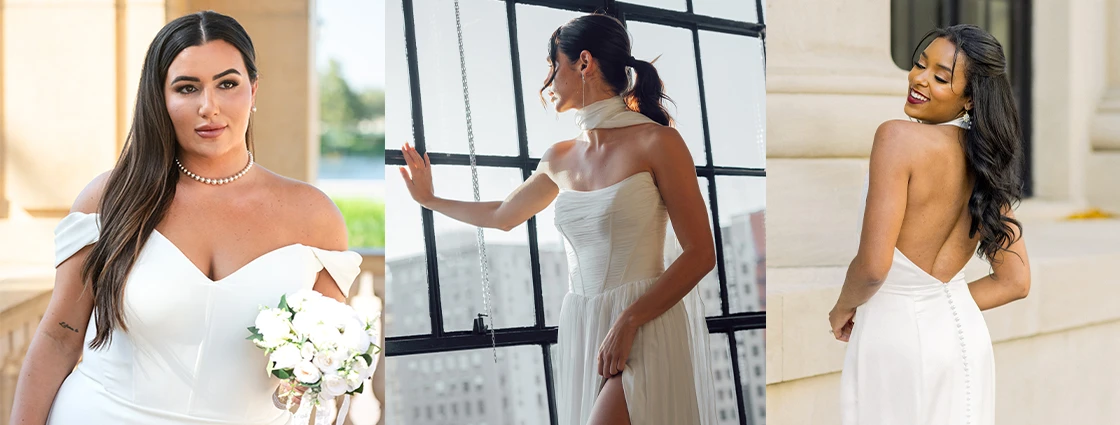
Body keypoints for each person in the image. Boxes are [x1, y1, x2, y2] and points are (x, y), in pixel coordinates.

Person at [9, 11, 361, 425]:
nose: (208, 107)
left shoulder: (314, 218)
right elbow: (58, 338)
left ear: (254, 90)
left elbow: (321, 363)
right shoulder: (108, 199)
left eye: (227, 84)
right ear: (161, 98)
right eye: (187, 88)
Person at [399, 13, 719, 425]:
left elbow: (700, 254)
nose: (548, 81)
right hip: (584, 325)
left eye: (554, 65)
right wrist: (430, 199)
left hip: (645, 321)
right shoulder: (559, 157)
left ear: (583, 63)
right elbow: (502, 216)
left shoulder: (658, 142)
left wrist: (630, 319)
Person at [830, 24, 1032, 425]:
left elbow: (873, 266)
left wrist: (842, 307)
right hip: (965, 341)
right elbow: (1015, 281)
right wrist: (942, 302)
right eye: (920, 65)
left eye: (940, 77)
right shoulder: (987, 162)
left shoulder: (896, 138)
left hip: (896, 341)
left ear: (971, 99)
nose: (919, 79)